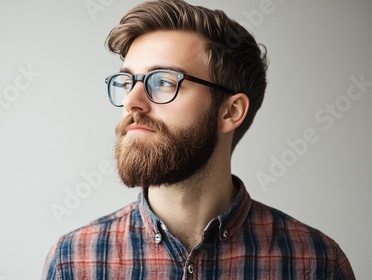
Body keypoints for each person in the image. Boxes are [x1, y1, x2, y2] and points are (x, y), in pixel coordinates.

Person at [41, 0, 355, 279]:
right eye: (127, 81)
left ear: (230, 112)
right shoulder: (73, 262)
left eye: (162, 81)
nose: (132, 102)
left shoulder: (315, 263)